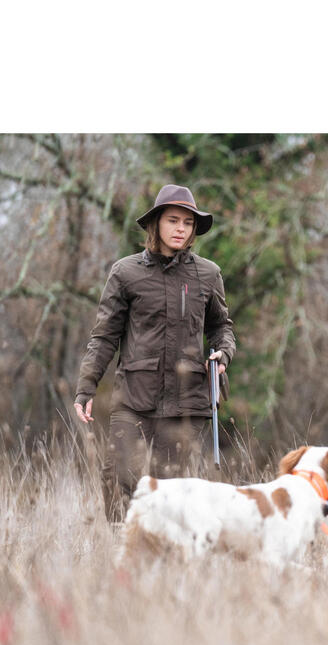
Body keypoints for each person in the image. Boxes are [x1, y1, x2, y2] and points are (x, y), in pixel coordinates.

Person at [74, 184, 236, 522]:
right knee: (119, 478)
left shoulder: (208, 274)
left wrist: (222, 354)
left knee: (172, 494)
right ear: (156, 224)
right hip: (134, 396)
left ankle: (164, 565)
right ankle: (121, 555)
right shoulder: (125, 272)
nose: (181, 229)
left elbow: (222, 328)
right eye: (173, 220)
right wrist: (86, 387)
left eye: (188, 223)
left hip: (187, 401)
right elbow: (104, 335)